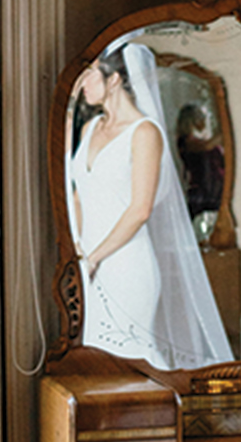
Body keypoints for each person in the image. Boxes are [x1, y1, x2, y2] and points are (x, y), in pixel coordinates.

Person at [67, 40, 231, 370]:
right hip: (87, 261)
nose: (82, 83)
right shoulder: (88, 128)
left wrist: (95, 256)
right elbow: (78, 196)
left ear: (113, 80)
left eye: (89, 76)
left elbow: (140, 209)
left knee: (133, 361)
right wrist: (78, 252)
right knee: (93, 361)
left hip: (126, 264)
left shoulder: (145, 133)